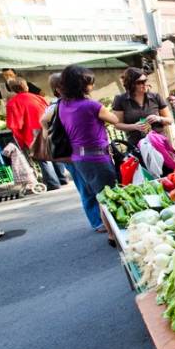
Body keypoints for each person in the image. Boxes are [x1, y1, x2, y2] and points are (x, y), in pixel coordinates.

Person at [58, 65, 119, 233]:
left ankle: (108, 230)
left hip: (79, 158)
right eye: (90, 83)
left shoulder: (63, 104)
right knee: (108, 196)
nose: (92, 86)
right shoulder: (91, 105)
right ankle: (113, 235)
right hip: (97, 158)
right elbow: (115, 119)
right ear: (82, 85)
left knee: (99, 196)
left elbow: (44, 120)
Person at [40, 73, 100, 230]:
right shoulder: (57, 106)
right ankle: (97, 221)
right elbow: (43, 121)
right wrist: (49, 136)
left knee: (92, 185)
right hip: (71, 154)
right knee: (85, 187)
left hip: (83, 152)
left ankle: (102, 219)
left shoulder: (71, 103)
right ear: (58, 89)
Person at [5, 77, 68, 191]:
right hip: (50, 128)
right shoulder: (39, 98)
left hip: (32, 132)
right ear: (26, 86)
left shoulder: (12, 103)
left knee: (43, 157)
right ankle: (62, 178)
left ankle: (53, 183)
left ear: (13, 90)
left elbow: (15, 125)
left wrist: (20, 141)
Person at [111, 67, 173, 149]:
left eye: (145, 81)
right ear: (131, 84)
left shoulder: (155, 97)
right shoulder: (121, 99)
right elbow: (117, 124)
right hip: (137, 145)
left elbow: (170, 120)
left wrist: (158, 118)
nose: (145, 84)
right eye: (140, 82)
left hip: (159, 143)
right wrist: (134, 126)